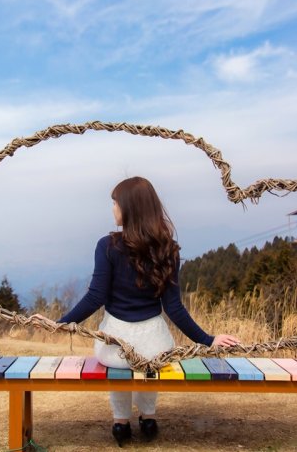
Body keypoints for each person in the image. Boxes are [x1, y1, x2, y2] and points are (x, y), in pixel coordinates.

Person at [35, 176, 240, 447]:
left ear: (129, 208)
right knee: (149, 362)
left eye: (115, 203)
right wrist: (208, 339)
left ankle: (120, 422)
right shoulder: (168, 249)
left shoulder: (106, 246)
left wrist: (58, 324)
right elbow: (174, 308)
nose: (112, 209)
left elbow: (95, 297)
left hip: (113, 345)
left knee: (119, 363)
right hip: (155, 346)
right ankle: (148, 417)